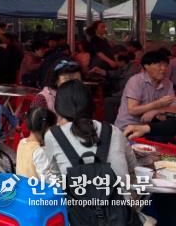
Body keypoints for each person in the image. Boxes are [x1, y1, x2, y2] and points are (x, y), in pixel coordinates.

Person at [42, 80, 137, 216]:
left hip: (78, 217)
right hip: (121, 215)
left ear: (58, 108)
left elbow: (55, 178)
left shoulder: (53, 135)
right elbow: (133, 169)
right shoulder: (114, 131)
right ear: (92, 106)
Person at [115, 50, 176, 130]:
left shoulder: (167, 83)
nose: (163, 69)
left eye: (166, 65)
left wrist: (157, 110)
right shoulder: (136, 81)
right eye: (159, 65)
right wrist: (157, 104)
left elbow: (174, 107)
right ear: (146, 66)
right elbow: (132, 110)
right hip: (128, 127)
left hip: (149, 127)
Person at [16, 106, 57, 179]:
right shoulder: (39, 151)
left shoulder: (22, 142)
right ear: (46, 127)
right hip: (34, 186)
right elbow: (47, 179)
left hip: (22, 183)